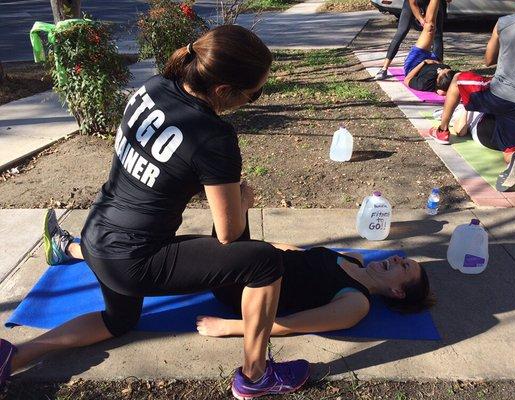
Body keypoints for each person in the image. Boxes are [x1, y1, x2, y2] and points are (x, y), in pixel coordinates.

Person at [0, 26, 310, 399]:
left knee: (119, 321)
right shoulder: (213, 136)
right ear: (223, 91)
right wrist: (241, 198)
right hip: (134, 260)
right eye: (254, 93)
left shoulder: (153, 87)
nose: (254, 98)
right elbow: (228, 236)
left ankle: (12, 357)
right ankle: (255, 376)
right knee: (263, 262)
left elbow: (160, 164)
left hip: (98, 235)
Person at [199, 244, 434, 337]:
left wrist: (227, 327)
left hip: (241, 288)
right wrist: (257, 243)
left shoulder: (356, 302)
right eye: (402, 258)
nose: (396, 258)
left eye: (404, 267)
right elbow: (300, 254)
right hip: (253, 258)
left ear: (397, 292)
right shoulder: (354, 258)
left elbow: (291, 323)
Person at [429, 0, 515, 191]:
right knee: (512, 146)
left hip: (499, 94)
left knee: (458, 79)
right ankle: (513, 158)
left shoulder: (505, 22)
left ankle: (442, 130)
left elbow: (488, 60)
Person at [375, 0, 450, 81]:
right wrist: (421, 20)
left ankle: (440, 68)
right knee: (401, 32)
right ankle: (384, 68)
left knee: (437, 35)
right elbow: (412, 3)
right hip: (412, 2)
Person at [402, 0, 455, 94]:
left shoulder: (425, 83)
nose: (444, 69)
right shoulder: (449, 76)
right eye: (445, 69)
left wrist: (424, 62)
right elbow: (443, 91)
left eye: (442, 71)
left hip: (415, 64)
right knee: (433, 29)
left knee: (429, 28)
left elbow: (407, 80)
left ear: (439, 77)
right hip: (433, 62)